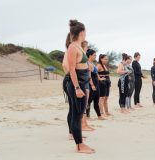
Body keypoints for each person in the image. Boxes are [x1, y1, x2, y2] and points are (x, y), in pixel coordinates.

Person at [66, 19, 94, 154]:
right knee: (77, 115)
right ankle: (78, 145)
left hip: (83, 82)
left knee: (79, 114)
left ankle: (80, 142)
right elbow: (71, 69)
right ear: (82, 32)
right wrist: (77, 88)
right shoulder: (72, 47)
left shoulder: (78, 47)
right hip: (77, 85)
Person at [86, 49, 106, 120]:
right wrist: (92, 85)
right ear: (90, 55)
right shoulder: (88, 63)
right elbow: (89, 76)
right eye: (94, 55)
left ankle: (99, 116)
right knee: (89, 101)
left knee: (96, 100)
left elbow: (96, 73)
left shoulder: (92, 63)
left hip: (96, 84)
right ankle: (87, 116)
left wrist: (100, 79)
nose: (95, 57)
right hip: (92, 85)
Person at [80, 41, 95, 131]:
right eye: (86, 47)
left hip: (86, 82)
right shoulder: (81, 57)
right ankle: (83, 124)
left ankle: (85, 123)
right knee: (84, 104)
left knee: (85, 104)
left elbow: (90, 71)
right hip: (83, 82)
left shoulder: (85, 59)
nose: (87, 48)